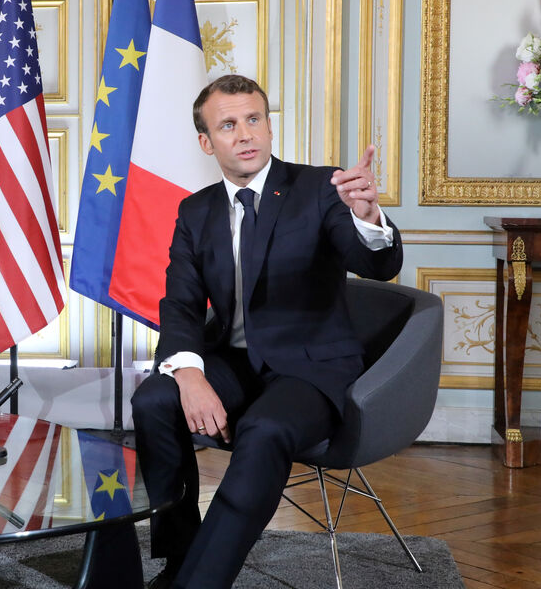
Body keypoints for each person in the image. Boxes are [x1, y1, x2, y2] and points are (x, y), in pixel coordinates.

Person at [130, 74, 402, 588]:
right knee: (153, 401)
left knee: (265, 429)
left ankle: (198, 582)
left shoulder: (320, 188)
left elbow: (377, 264)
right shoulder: (195, 211)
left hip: (310, 369)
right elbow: (181, 304)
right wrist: (189, 377)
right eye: (228, 124)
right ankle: (179, 556)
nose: (246, 133)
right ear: (207, 142)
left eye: (254, 119)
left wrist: (368, 215)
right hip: (233, 364)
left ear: (270, 127)